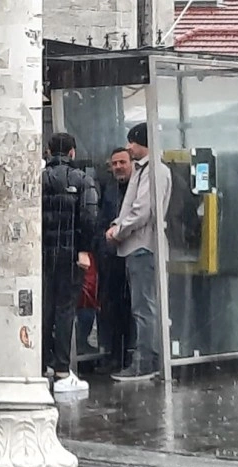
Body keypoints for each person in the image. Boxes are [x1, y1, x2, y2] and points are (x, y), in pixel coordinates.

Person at [107, 122, 172, 381]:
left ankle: (146, 362)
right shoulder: (146, 169)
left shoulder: (152, 170)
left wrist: (118, 230)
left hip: (142, 245)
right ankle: (148, 359)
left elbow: (142, 210)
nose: (128, 147)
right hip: (139, 245)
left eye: (131, 142)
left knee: (144, 307)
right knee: (144, 306)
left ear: (140, 142)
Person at [42, 132, 98, 393]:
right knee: (65, 310)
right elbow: (89, 218)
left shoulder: (37, 180)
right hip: (70, 254)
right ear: (72, 152)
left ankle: (41, 366)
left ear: (48, 151)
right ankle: (63, 371)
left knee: (44, 309)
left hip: (41, 255)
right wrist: (84, 250)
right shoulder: (83, 179)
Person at [96, 148, 134, 372]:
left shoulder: (138, 187)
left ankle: (130, 353)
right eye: (114, 163)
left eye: (122, 162)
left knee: (134, 307)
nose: (118, 167)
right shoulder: (109, 188)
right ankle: (114, 354)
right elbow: (101, 217)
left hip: (133, 252)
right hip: (111, 256)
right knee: (112, 306)